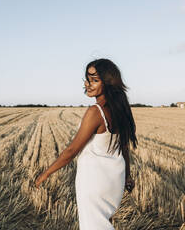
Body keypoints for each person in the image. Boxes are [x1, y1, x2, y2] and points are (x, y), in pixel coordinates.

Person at [35, 58, 138, 229]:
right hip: (114, 181)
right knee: (104, 223)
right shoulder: (119, 110)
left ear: (108, 83)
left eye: (95, 80)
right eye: (88, 79)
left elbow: (72, 150)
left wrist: (45, 174)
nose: (88, 84)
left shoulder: (95, 112)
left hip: (94, 182)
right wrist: (127, 175)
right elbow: (124, 148)